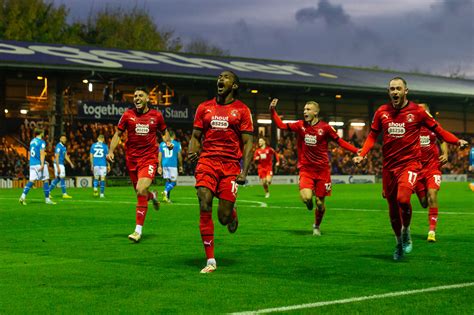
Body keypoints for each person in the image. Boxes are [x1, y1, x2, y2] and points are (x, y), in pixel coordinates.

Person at [353, 77, 468, 261]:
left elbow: (439, 131)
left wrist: (457, 141)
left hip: (410, 164)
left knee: (403, 199)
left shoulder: (418, 112)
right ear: (388, 92)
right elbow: (372, 136)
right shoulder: (382, 112)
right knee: (392, 206)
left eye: (398, 88)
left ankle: (406, 230)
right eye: (392, 89)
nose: (395, 92)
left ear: (406, 91)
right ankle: (399, 241)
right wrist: (363, 153)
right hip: (389, 167)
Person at [188, 70, 254, 273]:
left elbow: (248, 143)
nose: (220, 79)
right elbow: (196, 136)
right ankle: (210, 260)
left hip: (230, 166)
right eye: (219, 77)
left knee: (223, 217)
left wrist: (244, 171)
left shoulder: (242, 110)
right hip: (207, 161)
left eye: (226, 77)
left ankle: (232, 215)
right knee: (204, 201)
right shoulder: (204, 108)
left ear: (234, 85)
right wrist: (192, 150)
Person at [270, 98, 359, 236]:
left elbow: (339, 141)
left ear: (316, 112)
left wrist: (356, 151)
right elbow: (281, 125)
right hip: (306, 169)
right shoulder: (300, 125)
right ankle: (308, 203)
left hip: (323, 171)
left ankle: (316, 225)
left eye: (308, 109)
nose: (305, 111)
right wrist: (272, 111)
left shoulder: (326, 128)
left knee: (320, 203)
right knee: (306, 198)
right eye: (304, 109)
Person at [107, 87, 171, 243]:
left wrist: (167, 142)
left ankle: (137, 231)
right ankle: (153, 196)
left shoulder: (156, 115)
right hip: (132, 160)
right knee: (140, 192)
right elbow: (118, 134)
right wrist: (110, 151)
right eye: (135, 96)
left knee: (141, 189)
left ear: (147, 98)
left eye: (140, 95)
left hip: (149, 158)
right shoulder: (128, 115)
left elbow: (164, 132)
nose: (136, 98)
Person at [414, 104, 448, 243]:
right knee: (424, 203)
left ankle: (432, 231)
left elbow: (443, 140)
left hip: (433, 167)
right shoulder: (411, 128)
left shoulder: (433, 126)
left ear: (427, 112)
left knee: (432, 194)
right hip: (416, 169)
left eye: (423, 110)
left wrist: (445, 153)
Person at [19, 128, 55, 205]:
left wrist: (44, 161)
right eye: (43, 132)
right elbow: (42, 153)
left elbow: (34, 153)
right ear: (41, 133)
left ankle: (23, 196)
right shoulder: (42, 142)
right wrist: (42, 164)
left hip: (32, 163)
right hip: (39, 164)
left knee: (31, 181)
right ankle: (47, 199)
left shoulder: (32, 141)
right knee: (45, 180)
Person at [158, 130, 183, 203]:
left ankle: (167, 198)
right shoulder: (177, 144)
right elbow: (179, 155)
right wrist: (181, 165)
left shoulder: (162, 144)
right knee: (174, 182)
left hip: (164, 164)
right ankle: (165, 192)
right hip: (172, 165)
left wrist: (159, 166)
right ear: (174, 136)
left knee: (168, 181)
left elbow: (159, 155)